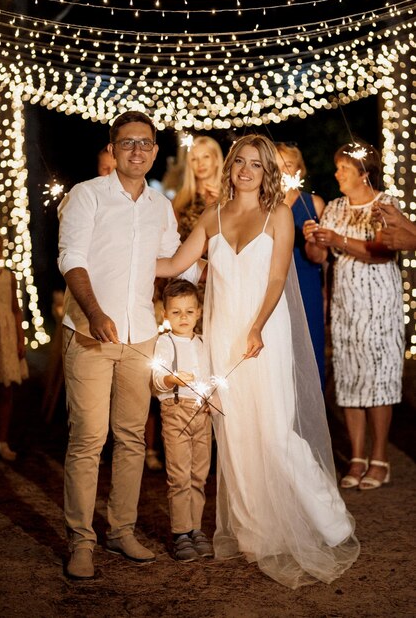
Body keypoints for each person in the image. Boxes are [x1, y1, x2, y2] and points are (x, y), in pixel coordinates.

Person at [156, 134, 360, 589]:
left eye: (255, 163)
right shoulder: (212, 217)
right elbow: (172, 266)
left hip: (263, 334)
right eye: (239, 163)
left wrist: (257, 327)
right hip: (223, 335)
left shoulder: (279, 216)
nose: (245, 170)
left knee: (273, 432)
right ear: (230, 169)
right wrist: (120, 259)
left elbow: (276, 278)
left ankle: (331, 522)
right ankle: (255, 534)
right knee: (237, 434)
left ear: (267, 171)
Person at [57, 111, 201, 580]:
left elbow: (170, 262)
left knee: (132, 438)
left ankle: (122, 530)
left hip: (141, 334)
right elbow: (72, 259)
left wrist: (217, 263)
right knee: (88, 439)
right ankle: (81, 540)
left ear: (155, 151)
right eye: (127, 143)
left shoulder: (160, 205)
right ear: (113, 148)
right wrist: (96, 313)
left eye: (145, 143)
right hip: (90, 332)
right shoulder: (87, 195)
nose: (136, 151)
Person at [303, 141, 405, 491]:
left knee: (378, 378)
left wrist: (337, 239)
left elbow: (379, 253)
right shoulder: (333, 207)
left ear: (364, 173)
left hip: (380, 303)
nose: (337, 174)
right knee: (349, 377)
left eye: (344, 169)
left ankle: (380, 458)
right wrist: (314, 239)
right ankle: (358, 456)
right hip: (346, 303)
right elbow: (320, 258)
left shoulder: (385, 205)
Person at [152, 279, 213, 562]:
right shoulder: (164, 343)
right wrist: (170, 378)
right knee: (180, 475)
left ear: (199, 312)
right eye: (176, 312)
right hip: (176, 411)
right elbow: (156, 379)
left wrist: (213, 397)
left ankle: (196, 528)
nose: (183, 317)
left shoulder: (203, 343)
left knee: (199, 475)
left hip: (203, 413)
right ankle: (181, 533)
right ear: (165, 315)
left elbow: (211, 376)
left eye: (189, 311)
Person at [275, 142, 326, 387]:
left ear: (299, 169)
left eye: (288, 165)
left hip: (306, 285)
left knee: (310, 350)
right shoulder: (264, 204)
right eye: (275, 166)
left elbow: (320, 257)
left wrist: (312, 241)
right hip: (273, 285)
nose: (282, 171)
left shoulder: (314, 204)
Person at [0, 233, 28, 461]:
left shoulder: (9, 277)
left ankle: (2, 440)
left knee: (6, 389)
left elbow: (16, 310)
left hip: (5, 337)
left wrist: (20, 339)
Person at [173, 135, 224, 242]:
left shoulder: (231, 197)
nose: (200, 163)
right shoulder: (181, 200)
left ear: (216, 160)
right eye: (194, 159)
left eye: (206, 156)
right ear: (190, 164)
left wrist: (222, 203)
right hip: (185, 257)